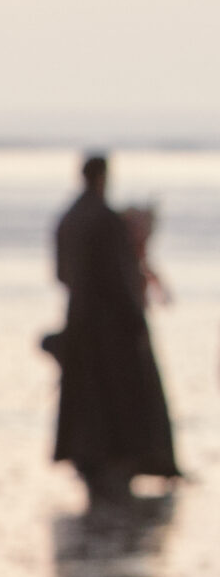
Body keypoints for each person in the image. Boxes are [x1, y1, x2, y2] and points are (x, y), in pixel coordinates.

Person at [46, 152, 178, 504]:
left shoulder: (69, 218)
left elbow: (60, 273)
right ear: (103, 177)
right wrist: (133, 314)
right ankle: (126, 457)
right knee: (122, 392)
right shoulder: (104, 220)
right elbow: (120, 275)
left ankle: (93, 456)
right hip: (111, 324)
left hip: (80, 317)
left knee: (86, 394)